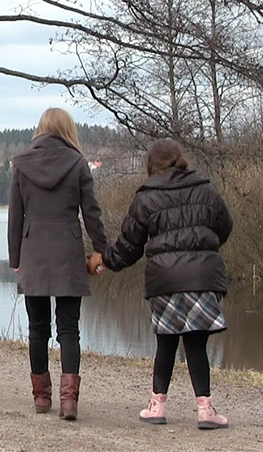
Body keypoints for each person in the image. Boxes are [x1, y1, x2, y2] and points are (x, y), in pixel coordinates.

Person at [91, 139, 233, 430]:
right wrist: (202, 248)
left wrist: (104, 260)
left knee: (166, 341)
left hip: (165, 280)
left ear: (151, 166)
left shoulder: (147, 197)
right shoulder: (205, 189)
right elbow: (225, 227)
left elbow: (129, 246)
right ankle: (206, 411)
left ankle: (157, 406)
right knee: (196, 342)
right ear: (180, 159)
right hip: (202, 278)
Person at [8, 108, 107, 421]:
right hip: (67, 248)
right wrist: (101, 252)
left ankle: (41, 398)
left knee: (37, 328)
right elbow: (91, 214)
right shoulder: (77, 163)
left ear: (40, 129)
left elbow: (15, 215)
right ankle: (69, 403)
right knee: (69, 329)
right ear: (67, 130)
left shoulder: (22, 163)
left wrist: (15, 258)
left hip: (33, 248)